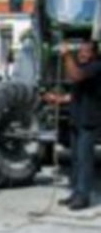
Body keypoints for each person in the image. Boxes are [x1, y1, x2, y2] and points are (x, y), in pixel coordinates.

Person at [44, 40, 101, 211]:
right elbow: (75, 95)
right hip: (76, 119)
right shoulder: (83, 68)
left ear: (94, 54)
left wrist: (66, 55)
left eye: (86, 51)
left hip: (89, 121)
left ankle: (83, 196)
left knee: (84, 160)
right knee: (75, 159)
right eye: (80, 51)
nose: (82, 54)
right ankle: (76, 193)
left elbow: (75, 76)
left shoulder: (96, 67)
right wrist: (58, 99)